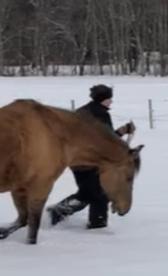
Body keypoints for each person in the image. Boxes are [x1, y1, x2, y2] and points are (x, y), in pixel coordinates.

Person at [47, 84, 136, 230]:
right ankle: (58, 213)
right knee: (92, 193)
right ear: (103, 99)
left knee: (95, 193)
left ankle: (96, 223)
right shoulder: (100, 114)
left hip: (77, 160)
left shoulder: (83, 111)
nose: (111, 101)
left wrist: (122, 131)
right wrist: (123, 132)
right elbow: (106, 141)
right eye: (109, 98)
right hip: (90, 161)